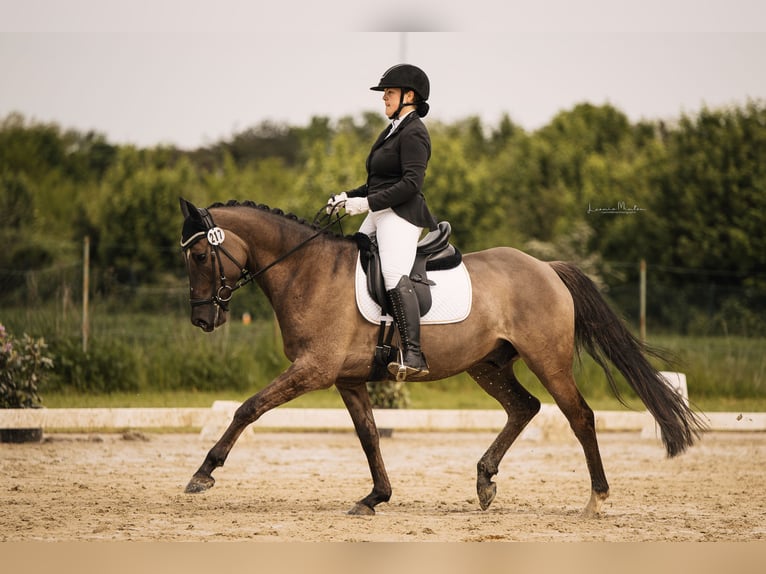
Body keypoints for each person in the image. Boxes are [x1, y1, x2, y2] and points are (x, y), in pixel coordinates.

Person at [327, 63, 438, 381]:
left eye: (389, 92)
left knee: (392, 272)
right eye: (385, 93)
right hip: (380, 213)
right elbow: (378, 181)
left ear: (409, 96)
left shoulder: (415, 132)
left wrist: (366, 204)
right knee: (352, 259)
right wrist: (347, 197)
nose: (384, 98)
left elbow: (411, 184)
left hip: (402, 215)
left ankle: (414, 354)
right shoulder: (392, 130)